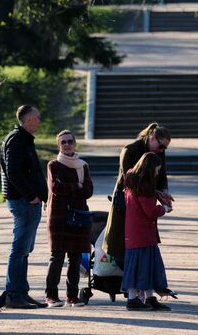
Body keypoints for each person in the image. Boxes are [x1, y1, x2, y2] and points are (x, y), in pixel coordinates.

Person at [103, 122, 173, 269]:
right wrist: (156, 193)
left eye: (165, 148)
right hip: (125, 199)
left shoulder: (159, 152)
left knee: (144, 237)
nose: (162, 150)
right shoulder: (130, 150)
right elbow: (130, 180)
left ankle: (139, 277)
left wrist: (164, 194)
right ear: (152, 138)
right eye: (161, 146)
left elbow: (162, 175)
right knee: (122, 239)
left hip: (146, 199)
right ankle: (126, 277)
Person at [0, 105, 48, 309]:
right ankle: (13, 294)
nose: (39, 121)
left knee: (25, 249)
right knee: (19, 249)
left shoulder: (23, 138)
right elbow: (13, 172)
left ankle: (21, 292)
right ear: (28, 119)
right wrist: (31, 197)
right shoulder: (17, 139)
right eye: (37, 117)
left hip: (26, 201)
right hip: (23, 201)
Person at [44, 130, 93, 308]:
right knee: (57, 257)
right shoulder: (53, 165)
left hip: (78, 216)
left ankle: (72, 296)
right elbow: (57, 188)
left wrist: (72, 188)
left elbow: (88, 191)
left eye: (69, 141)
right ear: (59, 145)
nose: (66, 144)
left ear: (75, 143)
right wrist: (77, 186)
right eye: (63, 142)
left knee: (75, 258)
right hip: (58, 217)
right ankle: (51, 296)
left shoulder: (83, 166)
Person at [121, 152, 172, 311]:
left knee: (140, 265)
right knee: (142, 266)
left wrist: (157, 194)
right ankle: (133, 300)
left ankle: (149, 298)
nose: (157, 172)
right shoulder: (145, 185)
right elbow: (150, 211)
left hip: (133, 230)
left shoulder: (131, 178)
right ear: (150, 169)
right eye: (157, 169)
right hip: (143, 231)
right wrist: (164, 208)